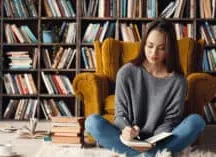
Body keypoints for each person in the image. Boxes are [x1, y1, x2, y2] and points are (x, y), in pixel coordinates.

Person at [85, 19, 206, 157]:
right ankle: (153, 155)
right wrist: (126, 130)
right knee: (92, 123)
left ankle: (144, 154)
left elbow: (171, 120)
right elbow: (120, 114)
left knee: (196, 122)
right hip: (129, 140)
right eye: (150, 46)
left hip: (159, 140)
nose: (154, 52)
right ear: (144, 45)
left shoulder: (178, 81)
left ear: (170, 49)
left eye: (161, 48)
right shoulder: (126, 72)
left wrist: (152, 142)